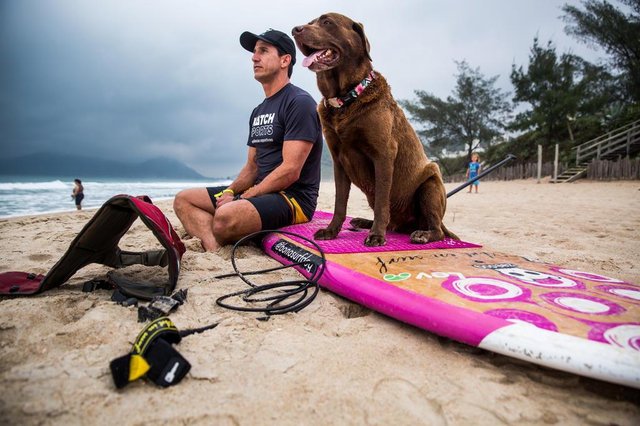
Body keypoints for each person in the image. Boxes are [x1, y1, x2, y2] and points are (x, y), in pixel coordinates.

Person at [173, 29, 323, 252]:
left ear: (285, 60)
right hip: (260, 190)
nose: (254, 57)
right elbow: (252, 167)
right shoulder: (258, 111)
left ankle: (224, 231)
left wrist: (245, 196)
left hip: (292, 199)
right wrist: (231, 192)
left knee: (224, 217)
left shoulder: (299, 103)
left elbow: (291, 170)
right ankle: (214, 248)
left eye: (263, 51)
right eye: (254, 52)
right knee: (183, 200)